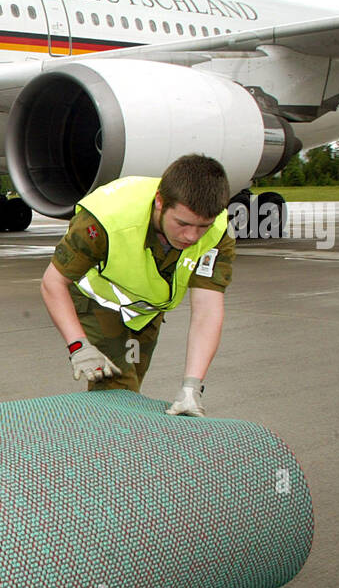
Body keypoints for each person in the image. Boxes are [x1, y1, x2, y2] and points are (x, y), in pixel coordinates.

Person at [39, 154, 236, 417]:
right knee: (119, 390)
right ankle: (108, 451)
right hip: (98, 301)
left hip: (145, 313)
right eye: (183, 223)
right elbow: (53, 282)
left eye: (203, 226)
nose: (192, 236)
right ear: (159, 202)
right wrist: (79, 346)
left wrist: (192, 387)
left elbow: (207, 310)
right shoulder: (107, 217)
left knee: (131, 388)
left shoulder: (218, 233)